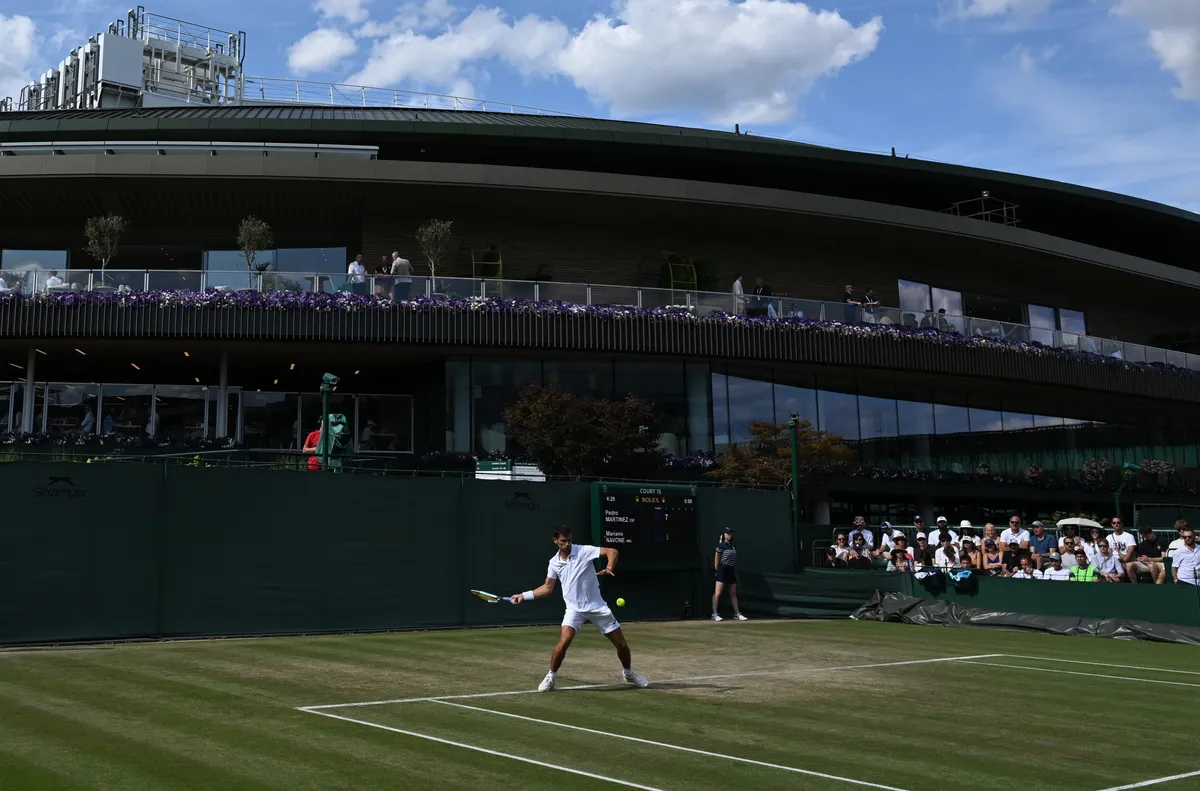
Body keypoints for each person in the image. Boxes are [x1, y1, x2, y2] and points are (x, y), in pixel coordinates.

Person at [510, 525, 649, 693]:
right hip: (574, 610)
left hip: (597, 607)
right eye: (563, 541)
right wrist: (523, 596)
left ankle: (628, 673)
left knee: (621, 644)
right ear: (555, 541)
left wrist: (610, 567)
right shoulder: (554, 563)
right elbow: (547, 588)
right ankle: (550, 677)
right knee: (564, 642)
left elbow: (612, 551)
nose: (567, 544)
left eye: (569, 540)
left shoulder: (583, 551)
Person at [712, 528, 747, 621]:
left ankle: (737, 614)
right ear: (724, 534)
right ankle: (714, 614)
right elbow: (716, 560)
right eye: (727, 533)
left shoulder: (732, 547)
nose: (729, 535)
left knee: (733, 593)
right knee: (717, 593)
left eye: (730, 533)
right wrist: (717, 570)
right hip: (722, 570)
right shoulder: (720, 546)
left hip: (731, 570)